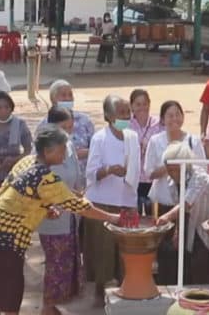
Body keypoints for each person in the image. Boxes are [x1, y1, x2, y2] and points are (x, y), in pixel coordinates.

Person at [0, 127, 120, 315]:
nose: (64, 155)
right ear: (48, 152)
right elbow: (80, 207)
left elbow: (18, 194)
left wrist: (44, 210)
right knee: (11, 290)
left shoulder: (27, 162)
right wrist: (112, 217)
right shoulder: (46, 179)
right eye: (61, 151)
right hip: (8, 237)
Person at [83, 95, 140, 307]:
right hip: (102, 201)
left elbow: (136, 166)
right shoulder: (99, 138)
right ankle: (99, 289)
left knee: (125, 246)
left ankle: (125, 285)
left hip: (126, 198)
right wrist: (109, 170)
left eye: (128, 112)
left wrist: (128, 175)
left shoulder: (132, 137)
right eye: (121, 113)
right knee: (102, 247)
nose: (126, 117)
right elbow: (91, 173)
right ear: (108, 116)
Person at [155, 141, 209, 285]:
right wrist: (177, 232)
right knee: (193, 258)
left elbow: (186, 203)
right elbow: (179, 206)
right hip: (196, 221)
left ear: (185, 165)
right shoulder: (171, 182)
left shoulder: (199, 177)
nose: (172, 173)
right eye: (169, 169)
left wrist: (166, 217)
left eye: (175, 169)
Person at [143, 100, 206, 284]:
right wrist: (169, 166)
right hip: (163, 203)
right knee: (165, 248)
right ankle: (166, 283)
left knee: (187, 246)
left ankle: (186, 283)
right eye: (170, 115)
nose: (174, 119)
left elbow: (202, 170)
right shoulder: (156, 141)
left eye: (178, 114)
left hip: (188, 204)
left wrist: (184, 167)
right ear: (162, 119)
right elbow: (149, 172)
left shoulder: (193, 141)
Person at [34, 107, 85, 315]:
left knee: (66, 264)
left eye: (69, 127)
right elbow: (41, 185)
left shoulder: (68, 144)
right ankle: (47, 307)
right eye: (63, 128)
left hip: (71, 215)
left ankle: (54, 305)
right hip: (52, 217)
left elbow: (76, 172)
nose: (67, 132)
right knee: (55, 265)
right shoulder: (42, 152)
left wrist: (78, 190)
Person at [41, 79, 96, 169]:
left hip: (83, 175)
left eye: (70, 95)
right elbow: (39, 155)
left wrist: (87, 153)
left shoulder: (84, 120)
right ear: (53, 99)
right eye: (63, 95)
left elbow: (95, 147)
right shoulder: (45, 124)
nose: (68, 98)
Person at [128, 88, 163, 215]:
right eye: (138, 104)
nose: (142, 107)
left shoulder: (159, 123)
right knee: (133, 216)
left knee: (153, 216)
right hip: (133, 178)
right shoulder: (126, 124)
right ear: (131, 106)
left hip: (153, 178)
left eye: (145, 104)